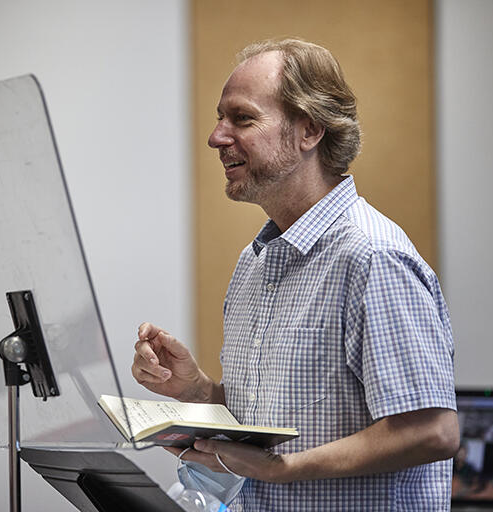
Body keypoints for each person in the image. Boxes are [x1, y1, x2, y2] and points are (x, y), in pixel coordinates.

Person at [132, 38, 459, 511]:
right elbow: (272, 420)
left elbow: (432, 430)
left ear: (309, 131)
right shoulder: (254, 262)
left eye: (241, 118)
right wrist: (196, 390)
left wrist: (285, 469)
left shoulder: (372, 257)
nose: (216, 137)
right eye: (219, 118)